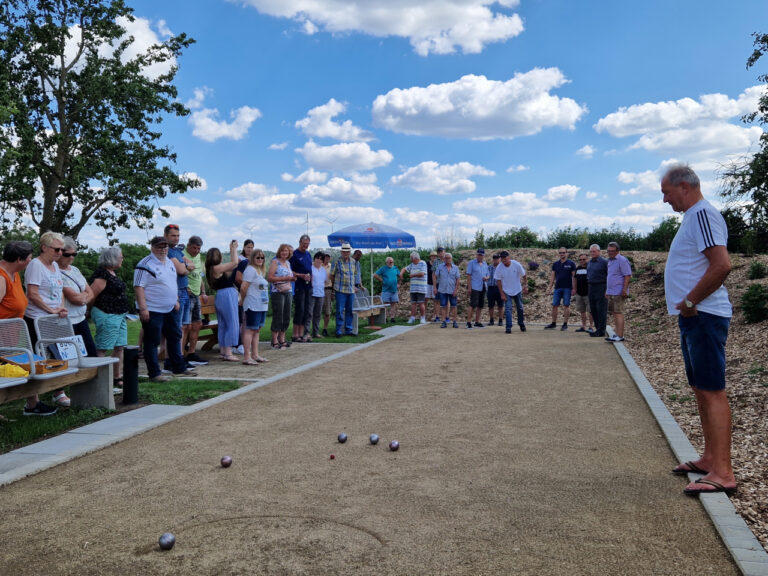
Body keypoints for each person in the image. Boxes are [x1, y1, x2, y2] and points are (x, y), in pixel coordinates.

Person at [661, 163, 736, 496]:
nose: (665, 200)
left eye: (667, 193)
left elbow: (722, 264)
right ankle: (709, 459)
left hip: (704, 314)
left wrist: (691, 301)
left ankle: (723, 472)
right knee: (701, 389)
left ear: (684, 187)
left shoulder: (703, 214)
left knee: (712, 390)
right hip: (695, 316)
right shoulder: (694, 217)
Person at [0, 240, 57, 416]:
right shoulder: (1, 277)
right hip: (2, 336)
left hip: (12, 334)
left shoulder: (14, 273)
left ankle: (33, 404)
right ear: (19, 259)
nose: (31, 262)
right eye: (29, 258)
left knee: (27, 363)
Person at [134, 236, 195, 381]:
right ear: (152, 248)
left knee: (175, 336)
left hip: (170, 307)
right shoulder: (144, 264)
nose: (163, 249)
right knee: (152, 340)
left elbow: (172, 282)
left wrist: (176, 300)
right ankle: (154, 373)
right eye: (160, 247)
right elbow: (138, 287)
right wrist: (143, 308)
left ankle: (178, 367)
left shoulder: (169, 261)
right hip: (153, 308)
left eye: (165, 246)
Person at [24, 231, 70, 407]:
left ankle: (58, 391)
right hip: (37, 318)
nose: (60, 253)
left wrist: (61, 307)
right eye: (56, 249)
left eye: (62, 250)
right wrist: (51, 309)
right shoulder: (36, 265)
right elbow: (33, 294)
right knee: (38, 357)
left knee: (58, 354)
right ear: (44, 247)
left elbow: (59, 291)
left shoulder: (55, 266)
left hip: (53, 319)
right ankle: (32, 400)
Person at [89, 246, 129, 393]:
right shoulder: (102, 276)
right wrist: (88, 311)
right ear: (112, 258)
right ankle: (99, 379)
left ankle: (116, 376)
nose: (122, 259)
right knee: (103, 347)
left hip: (119, 314)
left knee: (119, 346)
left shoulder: (112, 273)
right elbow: (91, 296)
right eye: (121, 257)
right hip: (106, 313)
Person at [59, 236, 97, 357]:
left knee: (91, 354)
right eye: (67, 254)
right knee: (72, 357)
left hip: (81, 318)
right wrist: (83, 296)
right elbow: (75, 299)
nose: (71, 257)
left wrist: (83, 296)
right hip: (67, 321)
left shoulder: (75, 270)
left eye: (74, 254)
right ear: (59, 253)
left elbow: (91, 292)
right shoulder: (56, 272)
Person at [164, 224, 193, 368]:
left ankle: (180, 357)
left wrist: (185, 266)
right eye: (173, 236)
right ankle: (171, 360)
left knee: (183, 327)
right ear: (166, 236)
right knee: (176, 328)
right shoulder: (168, 252)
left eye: (178, 236)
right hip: (176, 292)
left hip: (184, 290)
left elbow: (190, 264)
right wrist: (185, 267)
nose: (176, 238)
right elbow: (182, 270)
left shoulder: (178, 252)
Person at [205, 241, 241, 361]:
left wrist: (231, 250)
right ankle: (228, 353)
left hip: (221, 296)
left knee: (223, 325)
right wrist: (235, 249)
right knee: (231, 323)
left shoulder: (213, 269)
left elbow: (233, 266)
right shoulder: (216, 268)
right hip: (227, 295)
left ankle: (223, 351)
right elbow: (235, 263)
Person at [239, 248, 269, 365]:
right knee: (250, 330)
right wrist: (243, 299)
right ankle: (247, 356)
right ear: (252, 258)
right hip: (253, 304)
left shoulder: (260, 271)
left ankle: (255, 354)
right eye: (258, 257)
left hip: (261, 305)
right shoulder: (250, 270)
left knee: (257, 330)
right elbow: (243, 287)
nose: (260, 259)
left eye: (262, 257)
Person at [182, 236, 209, 366]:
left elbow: (199, 276)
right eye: (194, 248)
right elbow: (178, 273)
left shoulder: (198, 257)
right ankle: (181, 354)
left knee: (197, 324)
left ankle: (192, 353)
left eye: (199, 248)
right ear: (188, 245)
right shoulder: (182, 254)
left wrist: (203, 291)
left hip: (197, 294)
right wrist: (185, 287)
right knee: (185, 326)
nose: (197, 251)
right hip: (187, 294)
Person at [268, 243, 296, 347]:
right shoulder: (275, 262)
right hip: (277, 292)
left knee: (286, 315)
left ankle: (282, 338)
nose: (285, 253)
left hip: (288, 291)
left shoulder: (288, 263)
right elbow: (270, 278)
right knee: (278, 315)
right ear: (279, 251)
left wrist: (293, 277)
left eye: (287, 251)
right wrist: (285, 278)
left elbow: (290, 276)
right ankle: (274, 340)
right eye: (283, 250)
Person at [605, 242, 632, 343]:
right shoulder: (610, 261)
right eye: (609, 251)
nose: (610, 253)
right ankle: (617, 334)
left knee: (618, 312)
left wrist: (624, 289)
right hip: (611, 291)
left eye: (612, 251)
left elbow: (627, 275)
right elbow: (610, 276)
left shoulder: (622, 260)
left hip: (619, 291)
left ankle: (620, 335)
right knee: (614, 312)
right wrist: (607, 290)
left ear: (617, 251)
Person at [495, 250, 527, 334]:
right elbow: (498, 281)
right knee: (508, 308)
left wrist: (525, 286)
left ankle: (521, 324)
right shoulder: (499, 267)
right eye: (502, 258)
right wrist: (502, 294)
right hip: (506, 290)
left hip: (517, 289)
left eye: (505, 257)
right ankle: (508, 326)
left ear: (509, 257)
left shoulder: (516, 264)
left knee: (520, 307)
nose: (503, 259)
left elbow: (524, 275)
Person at [545, 247, 576, 331]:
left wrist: (574, 288)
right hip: (557, 288)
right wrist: (549, 287)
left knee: (566, 305)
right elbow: (552, 276)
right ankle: (553, 323)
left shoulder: (571, 264)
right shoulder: (555, 264)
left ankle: (565, 324)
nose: (561, 254)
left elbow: (574, 277)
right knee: (555, 305)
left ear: (567, 253)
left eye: (563, 252)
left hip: (568, 288)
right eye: (560, 253)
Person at [331, 243, 359, 336]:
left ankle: (349, 329)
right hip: (340, 290)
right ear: (341, 252)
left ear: (350, 252)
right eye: (344, 251)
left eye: (347, 251)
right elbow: (332, 275)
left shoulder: (353, 261)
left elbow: (354, 274)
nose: (346, 253)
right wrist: (333, 287)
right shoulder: (336, 261)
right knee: (339, 310)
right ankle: (338, 330)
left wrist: (355, 286)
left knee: (349, 310)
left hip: (351, 290)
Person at [289, 234, 313, 343]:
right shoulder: (294, 254)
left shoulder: (308, 254)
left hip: (308, 285)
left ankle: (303, 333)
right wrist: (300, 275)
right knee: (300, 309)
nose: (305, 246)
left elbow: (309, 268)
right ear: (300, 243)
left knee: (307, 310)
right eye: (304, 244)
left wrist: (310, 276)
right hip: (299, 286)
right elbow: (289, 270)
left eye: (307, 244)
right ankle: (295, 334)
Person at [400, 251, 427, 325]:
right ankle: (412, 318)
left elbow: (422, 273)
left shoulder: (423, 263)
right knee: (413, 304)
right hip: (413, 288)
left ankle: (423, 318)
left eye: (411, 258)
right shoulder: (411, 265)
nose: (410, 259)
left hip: (421, 288)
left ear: (415, 258)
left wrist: (413, 275)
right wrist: (401, 273)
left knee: (421, 303)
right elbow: (404, 269)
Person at [587, 244, 608, 338]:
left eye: (594, 251)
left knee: (601, 309)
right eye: (591, 251)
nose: (592, 253)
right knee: (593, 309)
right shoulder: (590, 262)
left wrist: (607, 289)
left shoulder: (604, 262)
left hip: (601, 286)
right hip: (591, 287)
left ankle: (601, 330)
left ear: (599, 252)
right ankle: (597, 329)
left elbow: (609, 276)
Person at [435, 252, 461, 328]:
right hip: (442, 290)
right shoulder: (440, 267)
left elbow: (458, 279)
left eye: (449, 258)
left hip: (452, 290)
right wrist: (434, 287)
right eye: (446, 258)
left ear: (451, 259)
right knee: (443, 306)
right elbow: (435, 276)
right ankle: (443, 322)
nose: (447, 259)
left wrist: (456, 290)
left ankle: (454, 322)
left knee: (454, 306)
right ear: (444, 259)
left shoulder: (455, 268)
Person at [465, 248, 489, 328]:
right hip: (475, 286)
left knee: (480, 305)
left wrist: (487, 278)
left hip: (483, 286)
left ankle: (477, 321)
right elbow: (469, 275)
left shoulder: (485, 264)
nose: (480, 256)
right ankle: (468, 322)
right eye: (478, 254)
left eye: (481, 255)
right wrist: (469, 287)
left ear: (483, 256)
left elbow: (488, 275)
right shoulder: (471, 263)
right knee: (473, 304)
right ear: (476, 255)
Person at [572, 253, 594, 333]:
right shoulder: (578, 268)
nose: (582, 261)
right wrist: (574, 289)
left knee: (590, 311)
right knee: (582, 311)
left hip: (589, 293)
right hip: (579, 293)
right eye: (580, 259)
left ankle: (591, 326)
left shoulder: (591, 268)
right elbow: (574, 279)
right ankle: (583, 326)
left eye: (584, 259)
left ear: (587, 259)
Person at [374, 256, 400, 321]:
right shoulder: (383, 268)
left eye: (392, 262)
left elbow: (400, 276)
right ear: (387, 262)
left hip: (394, 290)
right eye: (390, 262)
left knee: (393, 304)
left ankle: (392, 318)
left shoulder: (395, 268)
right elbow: (375, 275)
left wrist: (399, 283)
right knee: (385, 304)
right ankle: (384, 318)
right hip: (386, 290)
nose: (391, 263)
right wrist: (381, 280)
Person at [308, 252, 328, 338]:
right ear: (314, 259)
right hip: (312, 293)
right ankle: (307, 332)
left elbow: (325, 281)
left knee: (318, 314)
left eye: (321, 259)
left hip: (321, 293)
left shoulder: (323, 270)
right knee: (309, 313)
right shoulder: (310, 268)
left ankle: (315, 332)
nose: (319, 260)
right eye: (317, 258)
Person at [486, 253, 504, 326]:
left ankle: (500, 320)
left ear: (499, 259)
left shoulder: (502, 267)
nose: (495, 260)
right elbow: (486, 275)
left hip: (500, 288)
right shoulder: (489, 267)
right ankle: (491, 320)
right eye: (494, 258)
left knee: (501, 305)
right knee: (491, 305)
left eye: (497, 258)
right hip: (491, 288)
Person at [426, 251, 440, 321]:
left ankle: (434, 314)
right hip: (427, 283)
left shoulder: (438, 264)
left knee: (435, 300)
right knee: (426, 299)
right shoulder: (426, 264)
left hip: (436, 284)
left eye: (435, 256)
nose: (434, 257)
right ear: (430, 257)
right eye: (432, 256)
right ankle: (424, 314)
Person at [322, 252, 333, 337]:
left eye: (328, 257)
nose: (327, 258)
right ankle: (315, 329)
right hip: (319, 289)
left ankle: (325, 328)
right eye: (326, 257)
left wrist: (333, 291)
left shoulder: (331, 266)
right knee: (317, 311)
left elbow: (334, 278)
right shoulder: (318, 265)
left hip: (328, 290)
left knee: (327, 311)